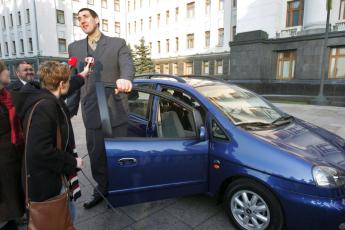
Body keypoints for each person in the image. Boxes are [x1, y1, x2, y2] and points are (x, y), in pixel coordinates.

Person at [68, 8, 135, 209]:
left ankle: (120, 189)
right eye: (79, 19)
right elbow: (74, 79)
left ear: (96, 19)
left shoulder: (117, 43)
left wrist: (126, 79)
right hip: (92, 111)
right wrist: (68, 108)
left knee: (118, 155)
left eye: (85, 17)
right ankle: (102, 189)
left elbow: (127, 65)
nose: (82, 21)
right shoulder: (74, 48)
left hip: (114, 109)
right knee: (96, 156)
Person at [13, 61, 85, 225]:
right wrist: (72, 162)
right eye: (66, 81)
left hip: (47, 180)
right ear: (61, 84)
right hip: (47, 185)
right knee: (63, 221)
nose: (68, 84)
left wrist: (83, 74)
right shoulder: (46, 106)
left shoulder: (45, 98)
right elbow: (40, 150)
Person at [0, 60, 25, 230]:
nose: (8, 72)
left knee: (13, 205)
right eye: (4, 70)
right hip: (2, 164)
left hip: (12, 157)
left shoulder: (6, 95)